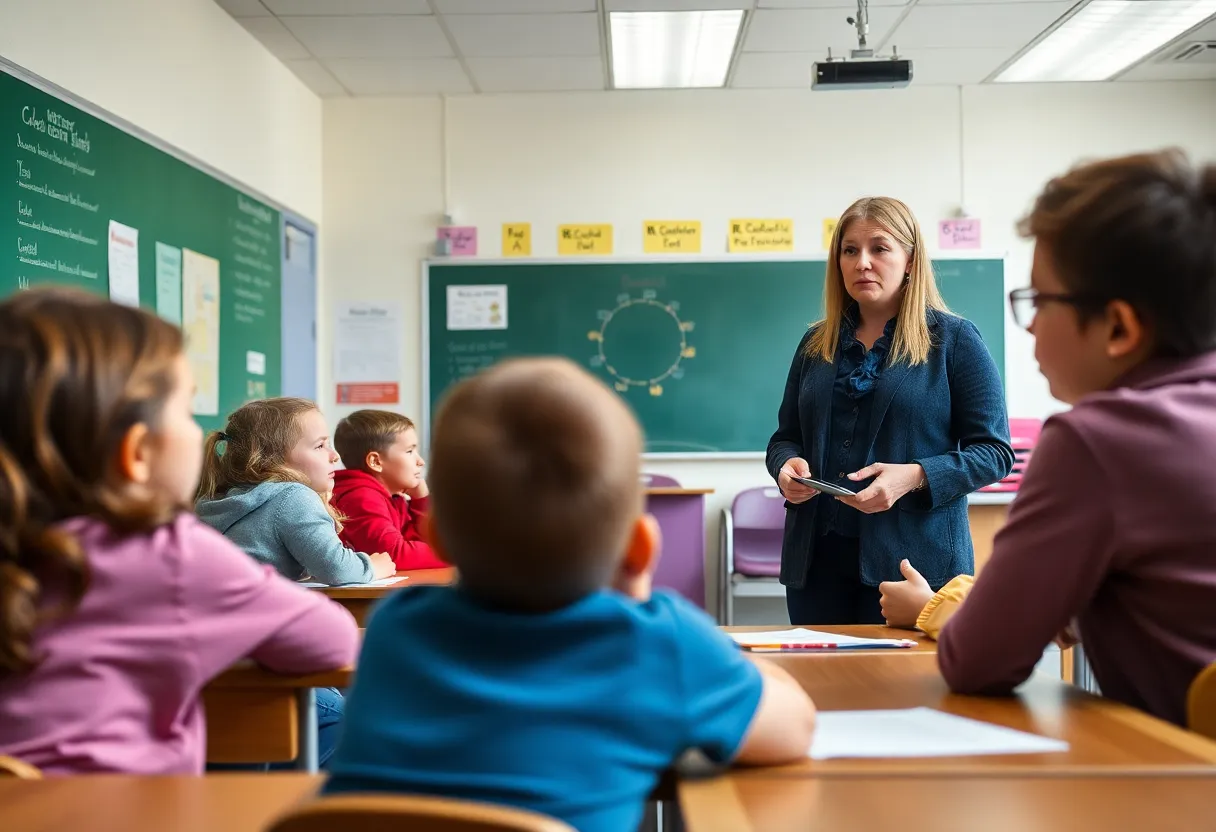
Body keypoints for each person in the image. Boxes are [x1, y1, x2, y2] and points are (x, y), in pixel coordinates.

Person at [323, 357, 817, 832]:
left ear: (438, 540)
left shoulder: (395, 629)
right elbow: (792, 730)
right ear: (641, 549)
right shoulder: (655, 642)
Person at [877, 149, 1216, 728]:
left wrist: (931, 610)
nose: (1029, 323)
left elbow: (979, 661)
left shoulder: (1096, 443)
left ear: (1118, 326)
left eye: (1039, 300)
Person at [0, 288, 358, 774]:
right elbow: (333, 642)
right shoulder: (165, 554)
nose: (203, 435)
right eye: (187, 413)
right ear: (138, 453)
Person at [767, 196, 1014, 625]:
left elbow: (994, 452)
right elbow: (784, 437)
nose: (863, 262)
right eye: (850, 250)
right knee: (824, 689)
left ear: (910, 261)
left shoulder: (954, 341)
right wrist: (786, 465)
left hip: (913, 567)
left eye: (879, 248)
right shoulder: (815, 344)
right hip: (816, 566)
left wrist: (915, 476)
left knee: (905, 692)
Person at [195, 397, 395, 587]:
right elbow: (338, 569)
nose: (334, 456)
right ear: (271, 459)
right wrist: (373, 567)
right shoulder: (292, 497)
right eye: (319, 446)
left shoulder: (214, 499)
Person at [331, 409, 445, 571]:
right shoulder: (362, 498)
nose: (420, 461)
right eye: (409, 451)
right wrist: (458, 554)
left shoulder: (390, 496)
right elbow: (395, 555)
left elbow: (421, 540)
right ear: (375, 461)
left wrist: (421, 499)